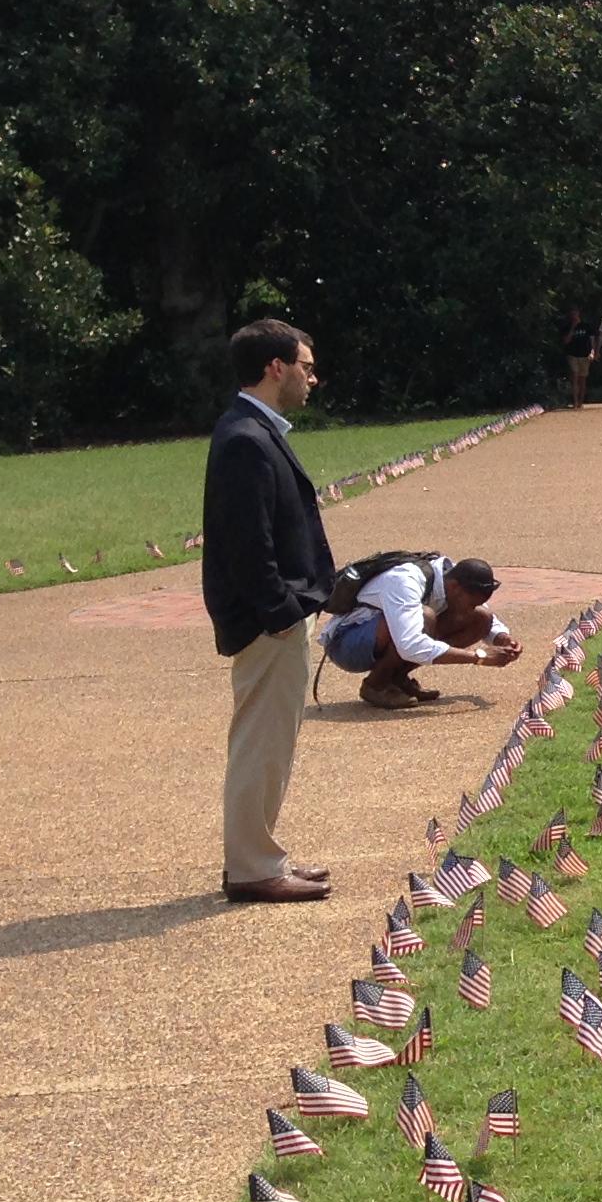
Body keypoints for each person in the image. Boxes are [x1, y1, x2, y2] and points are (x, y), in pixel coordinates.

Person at [202, 319, 336, 903]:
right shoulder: (245, 440)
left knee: (270, 743)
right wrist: (280, 611)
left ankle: (257, 856)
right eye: (305, 366)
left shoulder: (255, 431)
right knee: (261, 744)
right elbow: (246, 544)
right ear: (275, 368)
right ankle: (253, 869)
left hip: (275, 615)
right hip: (268, 621)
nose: (312, 378)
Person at [320, 553, 522, 709]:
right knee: (425, 616)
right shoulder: (405, 581)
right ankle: (376, 685)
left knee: (481, 619)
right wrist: (479, 657)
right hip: (346, 644)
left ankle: (396, 679)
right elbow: (409, 645)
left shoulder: (452, 577)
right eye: (471, 603)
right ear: (454, 587)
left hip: (384, 638)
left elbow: (484, 615)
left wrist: (502, 638)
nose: (471, 609)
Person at [562, 305, 593, 407]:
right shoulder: (567, 327)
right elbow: (566, 341)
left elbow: (592, 341)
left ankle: (581, 401)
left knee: (582, 379)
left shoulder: (586, 326)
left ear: (579, 314)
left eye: (575, 314)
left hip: (584, 355)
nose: (574, 316)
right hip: (572, 355)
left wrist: (592, 352)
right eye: (572, 314)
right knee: (574, 376)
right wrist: (572, 328)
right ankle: (575, 401)